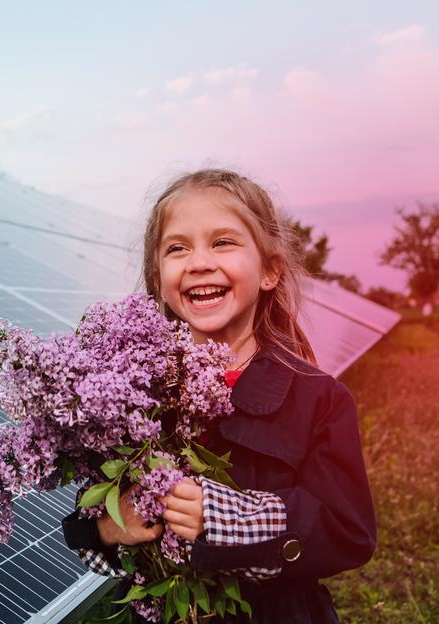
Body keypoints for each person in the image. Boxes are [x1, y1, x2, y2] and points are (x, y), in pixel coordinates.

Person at [60, 169, 376, 623]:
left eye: (223, 242)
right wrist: (110, 527)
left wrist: (225, 515)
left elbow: (349, 533)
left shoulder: (319, 398)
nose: (199, 262)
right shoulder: (132, 391)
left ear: (269, 270)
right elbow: (94, 514)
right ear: (157, 276)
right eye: (177, 248)